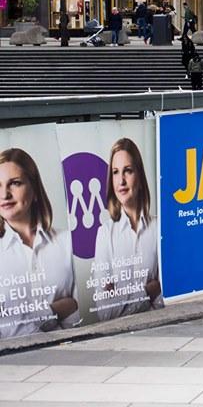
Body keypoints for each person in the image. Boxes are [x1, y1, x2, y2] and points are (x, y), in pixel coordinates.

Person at [0, 148, 78, 338]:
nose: (4, 194)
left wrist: (28, 319)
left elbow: (82, 311)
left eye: (15, 183)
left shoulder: (67, 242)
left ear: (34, 190)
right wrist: (56, 310)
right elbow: (9, 330)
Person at [91, 139, 162, 321]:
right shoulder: (105, 234)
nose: (121, 181)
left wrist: (122, 299)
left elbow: (166, 299)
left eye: (128, 171)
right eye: (115, 172)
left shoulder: (159, 228)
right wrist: (148, 291)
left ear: (140, 178)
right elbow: (104, 312)